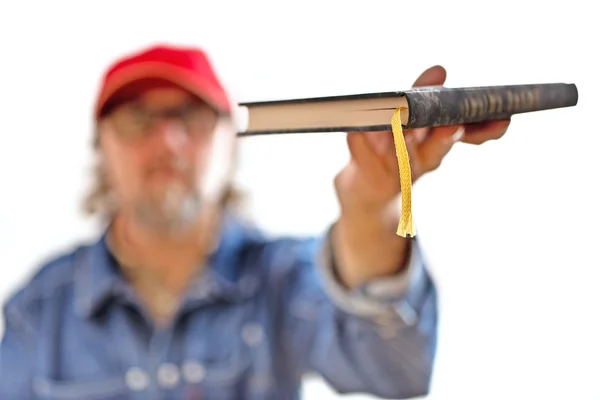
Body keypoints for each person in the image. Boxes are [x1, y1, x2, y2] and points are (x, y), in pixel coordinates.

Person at [0, 44, 510, 400]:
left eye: (192, 118)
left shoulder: (281, 279)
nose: (168, 142)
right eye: (138, 120)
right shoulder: (36, 312)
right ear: (101, 147)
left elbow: (395, 367)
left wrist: (370, 202)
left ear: (230, 143)